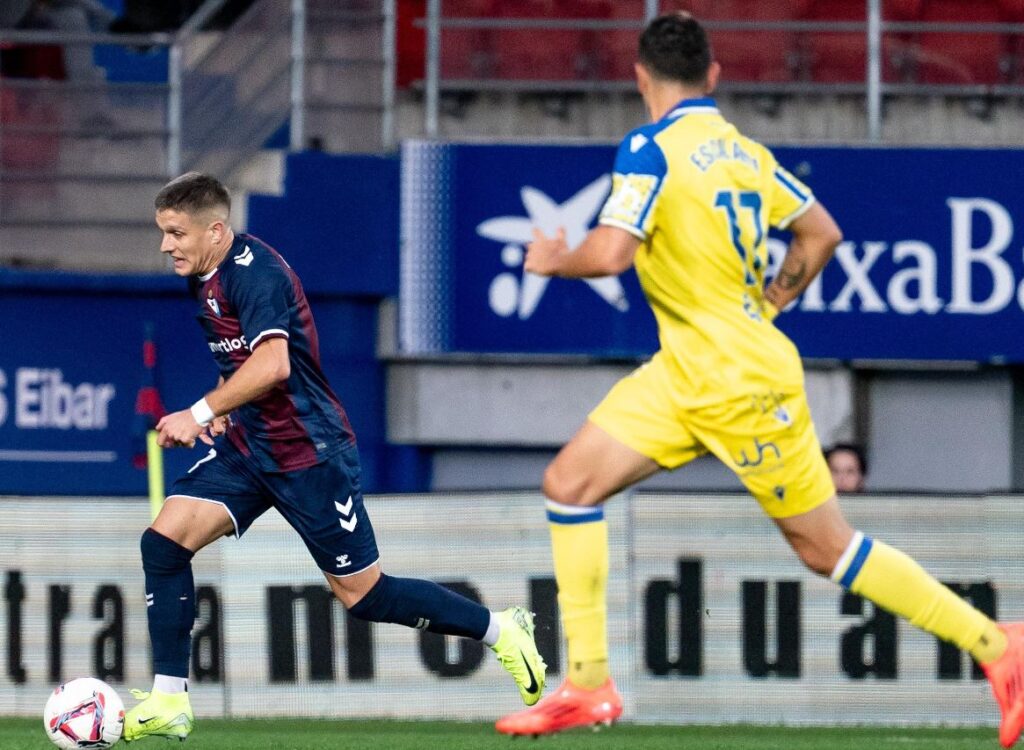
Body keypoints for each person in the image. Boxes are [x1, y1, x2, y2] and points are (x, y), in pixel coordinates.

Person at [495, 12, 1024, 746]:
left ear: (640, 77)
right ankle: (588, 683)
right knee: (570, 486)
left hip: (738, 381)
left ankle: (999, 646)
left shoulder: (650, 148)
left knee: (824, 548)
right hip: (687, 370)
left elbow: (614, 252)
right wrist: (773, 299)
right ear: (713, 75)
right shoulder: (745, 153)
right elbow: (823, 233)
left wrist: (557, 259)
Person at [123, 172, 546, 742]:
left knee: (364, 595)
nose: (165, 245)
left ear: (216, 231)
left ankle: (500, 630)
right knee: (164, 543)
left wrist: (198, 413)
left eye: (175, 232)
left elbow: (273, 365)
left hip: (309, 453)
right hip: (251, 448)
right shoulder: (203, 278)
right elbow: (241, 360)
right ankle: (170, 700)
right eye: (163, 232)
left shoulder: (258, 276)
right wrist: (224, 405)